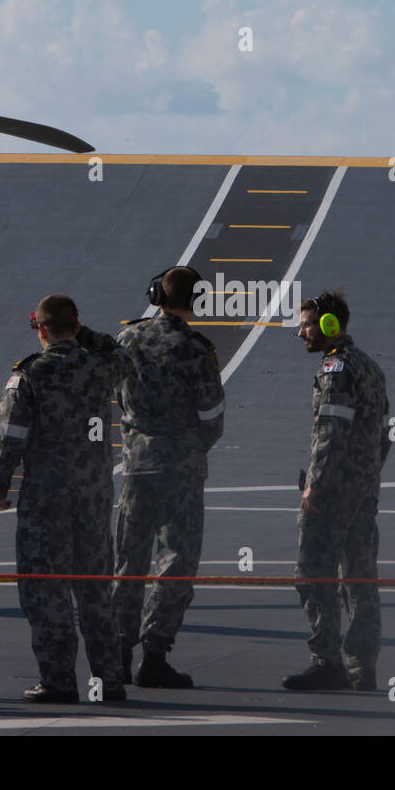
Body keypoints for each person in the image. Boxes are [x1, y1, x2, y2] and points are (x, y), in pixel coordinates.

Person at [0, 295, 129, 703]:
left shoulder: (30, 374)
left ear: (40, 328)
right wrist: (85, 334)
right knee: (95, 590)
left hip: (46, 500)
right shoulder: (99, 367)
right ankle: (109, 679)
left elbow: (11, 438)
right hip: (93, 496)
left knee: (47, 591)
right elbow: (123, 356)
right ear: (75, 325)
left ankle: (58, 681)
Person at [112, 267, 225, 688]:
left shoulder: (127, 338)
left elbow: (115, 396)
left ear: (156, 294)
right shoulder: (197, 349)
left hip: (137, 464)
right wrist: (191, 447)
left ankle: (118, 651)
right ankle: (155, 653)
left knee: (129, 559)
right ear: (194, 301)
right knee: (175, 558)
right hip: (181, 466)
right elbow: (212, 415)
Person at [283, 290, 391, 691]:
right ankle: (362, 668)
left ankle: (327, 660)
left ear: (329, 325)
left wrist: (316, 487)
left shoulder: (335, 369)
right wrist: (367, 477)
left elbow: (330, 432)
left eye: (307, 324)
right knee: (360, 578)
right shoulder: (371, 367)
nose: (301, 332)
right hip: (363, 491)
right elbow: (383, 436)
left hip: (332, 494)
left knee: (313, 573)